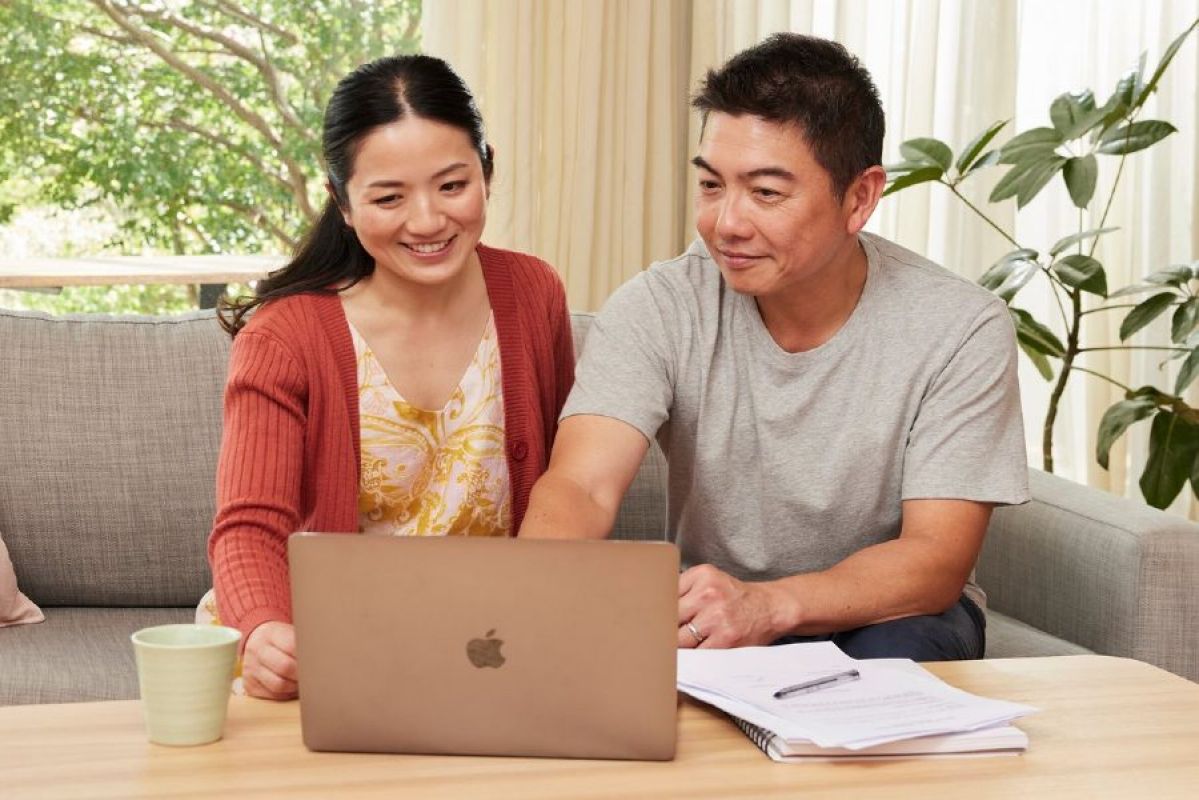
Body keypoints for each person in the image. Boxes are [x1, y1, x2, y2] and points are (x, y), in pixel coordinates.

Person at [519, 33, 1028, 661]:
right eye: (711, 186)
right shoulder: (660, 304)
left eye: (766, 193)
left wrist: (768, 605)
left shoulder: (960, 326)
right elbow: (581, 487)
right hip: (715, 616)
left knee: (895, 660)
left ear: (861, 196)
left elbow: (935, 559)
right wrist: (533, 605)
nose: (725, 224)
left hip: (890, 616)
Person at [206, 54, 574, 700]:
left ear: (488, 169)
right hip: (327, 647)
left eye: (452, 186)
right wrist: (263, 630)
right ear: (342, 203)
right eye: (388, 197)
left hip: (489, 644)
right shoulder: (284, 336)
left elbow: (562, 483)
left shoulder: (532, 292)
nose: (428, 221)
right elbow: (247, 530)